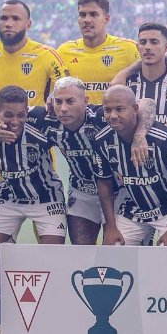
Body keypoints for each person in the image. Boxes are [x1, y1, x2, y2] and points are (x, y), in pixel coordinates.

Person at [0, 85, 68, 334]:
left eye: (21, 115)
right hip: (8, 199)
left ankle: (47, 324)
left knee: (51, 260)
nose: (15, 121)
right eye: (8, 115)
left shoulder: (42, 120)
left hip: (47, 200)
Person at [94, 86, 167, 246]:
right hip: (133, 209)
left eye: (119, 109)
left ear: (135, 109)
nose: (113, 116)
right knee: (113, 250)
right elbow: (104, 184)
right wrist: (111, 227)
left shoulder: (162, 138)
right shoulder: (102, 141)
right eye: (107, 110)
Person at [26, 77, 112, 245]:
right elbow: (3, 110)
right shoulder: (46, 118)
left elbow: (144, 106)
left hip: (114, 192)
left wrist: (139, 137)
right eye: (58, 102)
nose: (63, 108)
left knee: (115, 252)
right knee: (80, 252)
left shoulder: (104, 117)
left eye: (70, 101)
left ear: (86, 101)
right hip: (81, 191)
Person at [57, 0, 139, 105]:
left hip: (113, 120)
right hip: (78, 121)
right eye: (82, 15)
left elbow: (155, 60)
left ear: (107, 19)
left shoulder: (128, 48)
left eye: (93, 14)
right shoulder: (64, 51)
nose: (87, 20)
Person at [124, 22, 167, 128]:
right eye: (143, 42)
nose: (147, 47)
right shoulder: (127, 84)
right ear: (138, 47)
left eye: (154, 42)